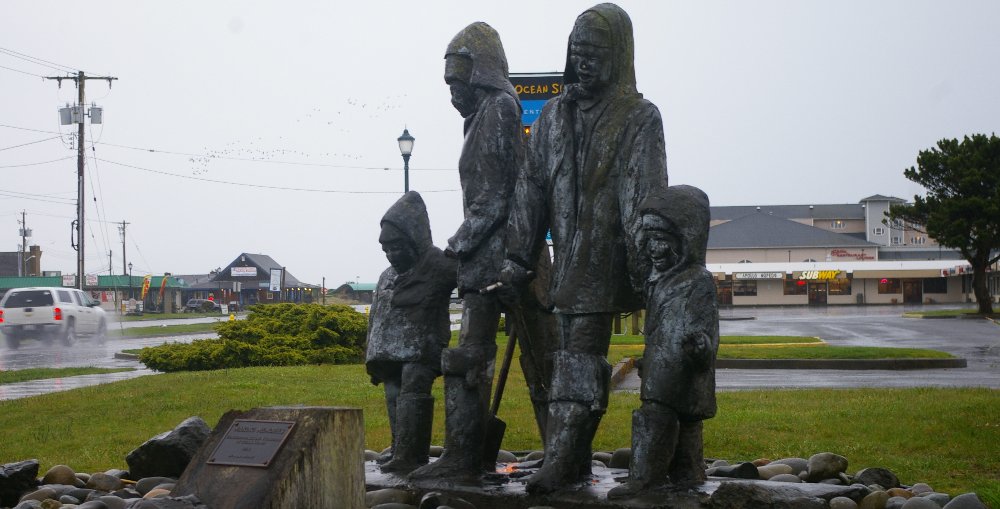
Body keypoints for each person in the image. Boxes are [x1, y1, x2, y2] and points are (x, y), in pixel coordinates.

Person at [500, 3, 669, 493]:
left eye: (594, 52)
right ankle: (567, 457)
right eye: (577, 52)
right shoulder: (552, 115)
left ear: (617, 56)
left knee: (578, 359)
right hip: (567, 263)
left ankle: (564, 460)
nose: (583, 61)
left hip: (607, 260)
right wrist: (517, 257)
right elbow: (531, 188)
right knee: (567, 363)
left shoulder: (638, 117)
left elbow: (647, 195)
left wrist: (650, 268)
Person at [411, 21, 557, 482]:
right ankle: (466, 455)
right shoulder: (479, 117)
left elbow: (495, 198)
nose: (453, 93)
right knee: (469, 360)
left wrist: (455, 246)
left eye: (458, 82)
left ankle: (560, 455)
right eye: (448, 84)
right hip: (487, 256)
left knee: (542, 362)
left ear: (482, 74)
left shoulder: (499, 109)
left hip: (512, 257)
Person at [607, 185, 719, 499]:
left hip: (684, 371)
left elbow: (707, 327)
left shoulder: (698, 280)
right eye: (650, 241)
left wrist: (703, 349)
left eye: (662, 241)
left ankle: (647, 480)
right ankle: (686, 475)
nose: (654, 249)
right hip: (663, 372)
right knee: (677, 425)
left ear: (685, 241)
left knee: (662, 421)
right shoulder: (658, 280)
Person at [366, 191, 457, 474]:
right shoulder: (386, 275)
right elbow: (376, 317)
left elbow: (471, 282)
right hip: (390, 352)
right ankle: (399, 446)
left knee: (413, 389)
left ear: (414, 240)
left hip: (422, 348)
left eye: (397, 248)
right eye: (387, 250)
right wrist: (371, 356)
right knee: (393, 394)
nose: (392, 255)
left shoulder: (439, 265)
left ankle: (411, 454)